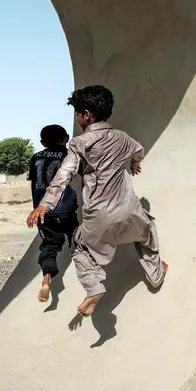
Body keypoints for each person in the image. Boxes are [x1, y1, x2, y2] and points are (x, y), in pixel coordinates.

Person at [27, 85, 167, 317]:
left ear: (87, 115)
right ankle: (156, 275)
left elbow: (65, 173)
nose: (77, 118)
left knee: (79, 246)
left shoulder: (79, 143)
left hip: (99, 216)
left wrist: (46, 204)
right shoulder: (124, 138)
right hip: (130, 212)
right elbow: (138, 152)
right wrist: (132, 164)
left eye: (78, 113)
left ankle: (93, 288)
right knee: (148, 232)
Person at [29, 125, 80, 303]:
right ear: (66, 139)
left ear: (42, 142)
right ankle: (85, 268)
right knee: (76, 236)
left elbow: (35, 182)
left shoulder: (35, 158)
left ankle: (47, 277)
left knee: (49, 247)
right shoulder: (69, 156)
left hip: (43, 212)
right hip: (66, 209)